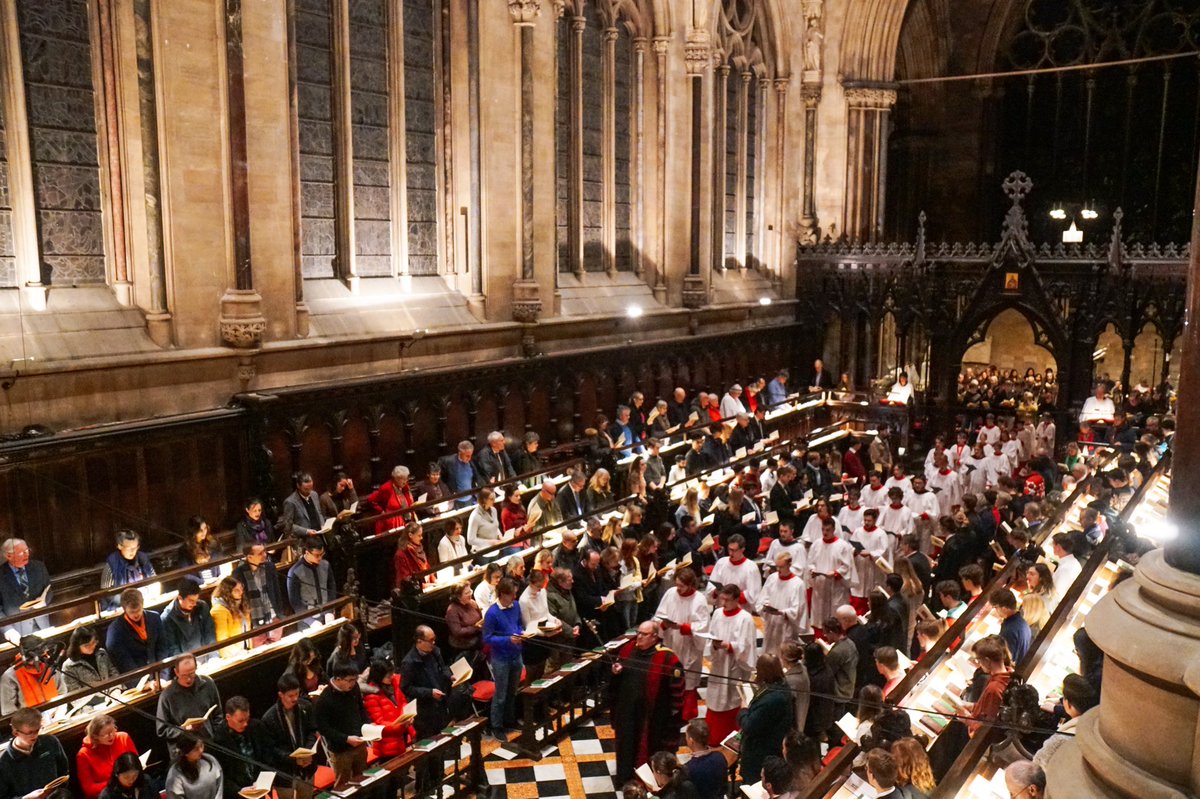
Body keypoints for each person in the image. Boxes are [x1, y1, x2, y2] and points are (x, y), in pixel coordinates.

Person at [609, 621, 685, 785]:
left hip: (651, 718)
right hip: (627, 712)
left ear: (655, 637)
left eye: (644, 634)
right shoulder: (628, 649)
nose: (639, 637)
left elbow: (677, 693)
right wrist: (615, 672)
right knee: (625, 746)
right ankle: (625, 778)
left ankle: (646, 781)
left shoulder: (667, 658)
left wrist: (671, 720)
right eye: (639, 632)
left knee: (647, 750)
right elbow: (616, 678)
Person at [654, 567, 709, 720]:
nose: (678, 588)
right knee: (669, 675)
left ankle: (686, 713)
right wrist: (663, 624)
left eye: (682, 586)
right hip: (671, 641)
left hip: (688, 645)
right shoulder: (671, 593)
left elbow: (703, 625)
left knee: (688, 679)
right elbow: (659, 615)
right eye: (676, 584)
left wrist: (684, 627)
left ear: (691, 585)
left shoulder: (699, 599)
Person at [705, 584, 757, 743]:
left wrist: (730, 646)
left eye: (727, 599)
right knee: (715, 700)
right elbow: (711, 635)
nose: (723, 602)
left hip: (735, 667)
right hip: (719, 664)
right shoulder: (718, 614)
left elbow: (747, 646)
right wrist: (714, 645)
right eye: (721, 598)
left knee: (732, 699)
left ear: (736, 600)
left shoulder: (745, 618)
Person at [260, 673, 318, 799]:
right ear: (281, 695)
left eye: (297, 694)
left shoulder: (305, 707)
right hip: (285, 774)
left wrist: (308, 752)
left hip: (307, 768)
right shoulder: (269, 718)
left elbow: (312, 731)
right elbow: (271, 749)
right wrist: (293, 759)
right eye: (290, 696)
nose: (295, 698)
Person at [739, 654, 793, 785]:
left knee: (755, 786)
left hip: (761, 753)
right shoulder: (781, 685)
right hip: (769, 747)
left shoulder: (773, 698)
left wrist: (744, 710)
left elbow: (749, 726)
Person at [315, 662, 370, 787]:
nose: (353, 683)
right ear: (338, 679)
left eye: (354, 680)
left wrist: (368, 726)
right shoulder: (324, 700)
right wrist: (345, 739)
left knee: (363, 780)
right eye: (349, 680)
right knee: (343, 785)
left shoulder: (354, 688)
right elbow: (324, 728)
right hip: (341, 751)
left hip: (360, 743)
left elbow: (361, 709)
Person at [482, 577, 524, 737]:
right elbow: (487, 638)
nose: (514, 597)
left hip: (516, 654)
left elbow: (519, 624)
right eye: (512, 594)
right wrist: (507, 639)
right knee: (500, 694)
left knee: (512, 691)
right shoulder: (492, 613)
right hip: (500, 658)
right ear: (502, 594)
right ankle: (496, 726)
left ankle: (509, 720)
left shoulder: (516, 606)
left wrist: (520, 633)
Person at [158, 654, 222, 757]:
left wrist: (216, 736)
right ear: (176, 672)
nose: (188, 679)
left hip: (209, 746)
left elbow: (218, 714)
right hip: (184, 754)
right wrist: (184, 729)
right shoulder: (167, 696)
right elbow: (162, 730)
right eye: (184, 675)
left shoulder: (208, 684)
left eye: (191, 674)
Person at [0, 707, 69, 799]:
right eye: (30, 732)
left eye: (37, 730)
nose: (35, 736)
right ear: (16, 733)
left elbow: (64, 770)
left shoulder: (50, 742)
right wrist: (26, 798)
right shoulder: (4, 762)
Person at [1034, 673, 1098, 768]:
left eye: (1063, 697)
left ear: (1068, 704)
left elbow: (1037, 763)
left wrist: (1055, 708)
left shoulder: (1062, 738)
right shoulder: (1093, 724)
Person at [211, 696, 267, 799]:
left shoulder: (256, 727)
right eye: (240, 721)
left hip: (259, 788)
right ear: (228, 717)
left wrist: (260, 780)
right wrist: (238, 790)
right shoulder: (219, 741)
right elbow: (221, 776)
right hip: (238, 794)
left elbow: (266, 756)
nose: (245, 724)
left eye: (247, 719)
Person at [361, 659, 415, 758]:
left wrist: (408, 716)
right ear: (378, 676)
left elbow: (402, 701)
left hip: (402, 734)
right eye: (388, 676)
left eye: (391, 674)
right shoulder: (371, 696)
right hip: (387, 743)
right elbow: (379, 723)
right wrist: (400, 725)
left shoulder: (394, 684)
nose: (391, 677)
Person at [232, 543, 286, 641]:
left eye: (264, 551)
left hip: (273, 617)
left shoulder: (270, 567)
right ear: (249, 557)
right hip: (254, 623)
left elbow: (277, 592)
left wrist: (280, 615)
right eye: (260, 553)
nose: (265, 554)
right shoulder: (238, 574)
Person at [76, 714, 138, 799]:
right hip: (107, 795)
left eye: (113, 730)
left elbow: (136, 763)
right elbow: (88, 788)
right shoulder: (83, 754)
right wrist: (116, 782)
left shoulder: (123, 737)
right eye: (106, 734)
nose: (111, 735)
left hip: (131, 787)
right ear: (95, 736)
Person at [106, 588, 165, 676]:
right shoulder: (115, 630)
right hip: (136, 679)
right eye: (132, 612)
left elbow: (163, 648)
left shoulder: (154, 617)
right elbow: (123, 662)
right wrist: (142, 683)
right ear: (124, 609)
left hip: (159, 673)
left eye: (138, 610)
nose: (136, 614)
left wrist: (162, 675)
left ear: (142, 604)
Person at [757, 551, 808, 653]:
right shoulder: (772, 578)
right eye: (777, 567)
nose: (778, 570)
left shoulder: (798, 584)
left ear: (789, 565)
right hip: (771, 623)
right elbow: (763, 597)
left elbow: (798, 610)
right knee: (770, 653)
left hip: (786, 626)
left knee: (785, 653)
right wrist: (765, 606)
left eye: (781, 567)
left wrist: (782, 612)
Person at [0, 636, 65, 714]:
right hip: (29, 722)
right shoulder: (9, 677)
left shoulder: (50, 666)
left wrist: (59, 713)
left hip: (57, 717)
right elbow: (8, 711)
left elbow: (62, 692)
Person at [0, 539, 52, 637]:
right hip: (17, 631)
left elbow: (49, 590)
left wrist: (44, 601)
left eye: (27, 551)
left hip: (42, 625)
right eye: (21, 553)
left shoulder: (39, 567)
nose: (26, 554)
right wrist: (8, 630)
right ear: (8, 556)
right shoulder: (1, 576)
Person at [809, 518, 853, 631]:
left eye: (828, 530)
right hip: (820, 587)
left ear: (834, 529)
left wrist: (836, 573)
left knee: (835, 617)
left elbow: (847, 566)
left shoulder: (842, 546)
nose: (825, 532)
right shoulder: (816, 544)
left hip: (836, 586)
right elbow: (810, 562)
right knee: (820, 617)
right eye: (823, 529)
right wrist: (813, 570)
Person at [99, 530, 157, 610]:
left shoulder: (143, 558)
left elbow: (154, 580)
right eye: (129, 548)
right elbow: (107, 593)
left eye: (135, 547)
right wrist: (128, 603)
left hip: (145, 602)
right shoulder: (112, 563)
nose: (132, 551)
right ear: (119, 546)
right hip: (120, 607)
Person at [966, 636, 1013, 734]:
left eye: (979, 660)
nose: (979, 664)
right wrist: (971, 706)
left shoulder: (994, 688)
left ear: (987, 661)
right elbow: (986, 708)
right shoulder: (1010, 673)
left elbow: (986, 728)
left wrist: (966, 717)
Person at [161, 578, 217, 658]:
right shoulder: (167, 618)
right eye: (191, 601)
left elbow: (210, 633)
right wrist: (187, 664)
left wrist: (214, 657)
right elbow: (172, 648)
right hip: (186, 663)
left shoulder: (202, 606)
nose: (194, 604)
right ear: (180, 598)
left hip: (207, 658)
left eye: (196, 600)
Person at [287, 538, 336, 628]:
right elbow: (295, 602)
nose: (320, 558)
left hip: (327, 616)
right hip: (307, 622)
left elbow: (332, 588)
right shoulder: (295, 572)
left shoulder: (326, 565)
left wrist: (329, 611)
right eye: (317, 555)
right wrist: (310, 621)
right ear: (307, 553)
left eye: (322, 554)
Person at [708, 533, 762, 606]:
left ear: (742, 549)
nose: (730, 553)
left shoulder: (751, 567)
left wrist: (731, 596)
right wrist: (715, 591)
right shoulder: (721, 563)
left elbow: (752, 596)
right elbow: (710, 588)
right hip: (722, 609)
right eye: (729, 549)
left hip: (741, 611)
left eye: (734, 550)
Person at [62, 625, 117, 694]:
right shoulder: (69, 666)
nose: (91, 646)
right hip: (90, 703)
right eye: (87, 645)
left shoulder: (101, 653)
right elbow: (74, 694)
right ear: (77, 646)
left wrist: (115, 690)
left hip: (113, 695)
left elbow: (114, 673)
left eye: (93, 642)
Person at [682, 719, 727, 799]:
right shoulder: (720, 757)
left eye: (686, 736)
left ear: (691, 741)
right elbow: (724, 788)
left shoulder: (688, 768)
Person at [210, 577, 252, 658]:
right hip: (232, 655)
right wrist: (237, 654)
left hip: (245, 652)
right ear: (227, 592)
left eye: (241, 588)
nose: (241, 592)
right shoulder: (219, 610)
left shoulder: (242, 605)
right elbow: (222, 639)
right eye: (236, 590)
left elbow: (248, 631)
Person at [278, 472, 326, 542]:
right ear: (298, 486)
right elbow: (288, 526)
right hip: (304, 540)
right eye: (306, 489)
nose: (309, 491)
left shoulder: (314, 494)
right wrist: (306, 531)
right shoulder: (290, 502)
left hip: (319, 535)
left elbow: (319, 513)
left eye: (311, 488)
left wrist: (322, 524)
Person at [991, 587, 1032, 664]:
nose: (995, 611)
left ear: (1004, 608)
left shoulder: (1009, 631)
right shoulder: (1021, 621)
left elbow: (1006, 659)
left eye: (996, 608)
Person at [177, 516, 224, 582]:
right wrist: (201, 582)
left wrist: (219, 578)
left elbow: (219, 562)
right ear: (193, 532)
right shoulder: (185, 550)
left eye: (205, 528)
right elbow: (185, 573)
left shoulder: (213, 543)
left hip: (216, 581)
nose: (204, 532)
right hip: (198, 585)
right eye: (200, 530)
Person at [445, 581, 483, 661]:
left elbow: (479, 617)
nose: (470, 594)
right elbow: (457, 632)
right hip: (465, 642)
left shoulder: (470, 602)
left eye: (470, 591)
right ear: (458, 596)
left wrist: (477, 607)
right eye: (467, 593)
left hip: (477, 634)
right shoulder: (452, 610)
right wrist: (474, 627)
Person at [439, 441, 484, 505]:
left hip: (470, 498)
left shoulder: (472, 461)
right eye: (467, 456)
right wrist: (448, 493)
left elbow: (477, 478)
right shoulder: (448, 462)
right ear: (460, 453)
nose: (469, 458)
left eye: (470, 455)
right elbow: (441, 479)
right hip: (455, 501)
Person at [781, 641, 811, 734]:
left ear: (785, 658)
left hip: (796, 718)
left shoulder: (791, 681)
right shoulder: (802, 667)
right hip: (803, 707)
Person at [393, 523, 430, 588]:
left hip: (427, 585)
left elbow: (427, 566)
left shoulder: (419, 548)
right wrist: (421, 586)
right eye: (419, 535)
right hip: (414, 590)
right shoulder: (400, 555)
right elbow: (404, 578)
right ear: (410, 535)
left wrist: (433, 580)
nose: (422, 538)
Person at [1050, 533, 1082, 602]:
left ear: (1058, 547)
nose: (1052, 547)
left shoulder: (1065, 569)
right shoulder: (1075, 563)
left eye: (1053, 545)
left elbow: (1056, 594)